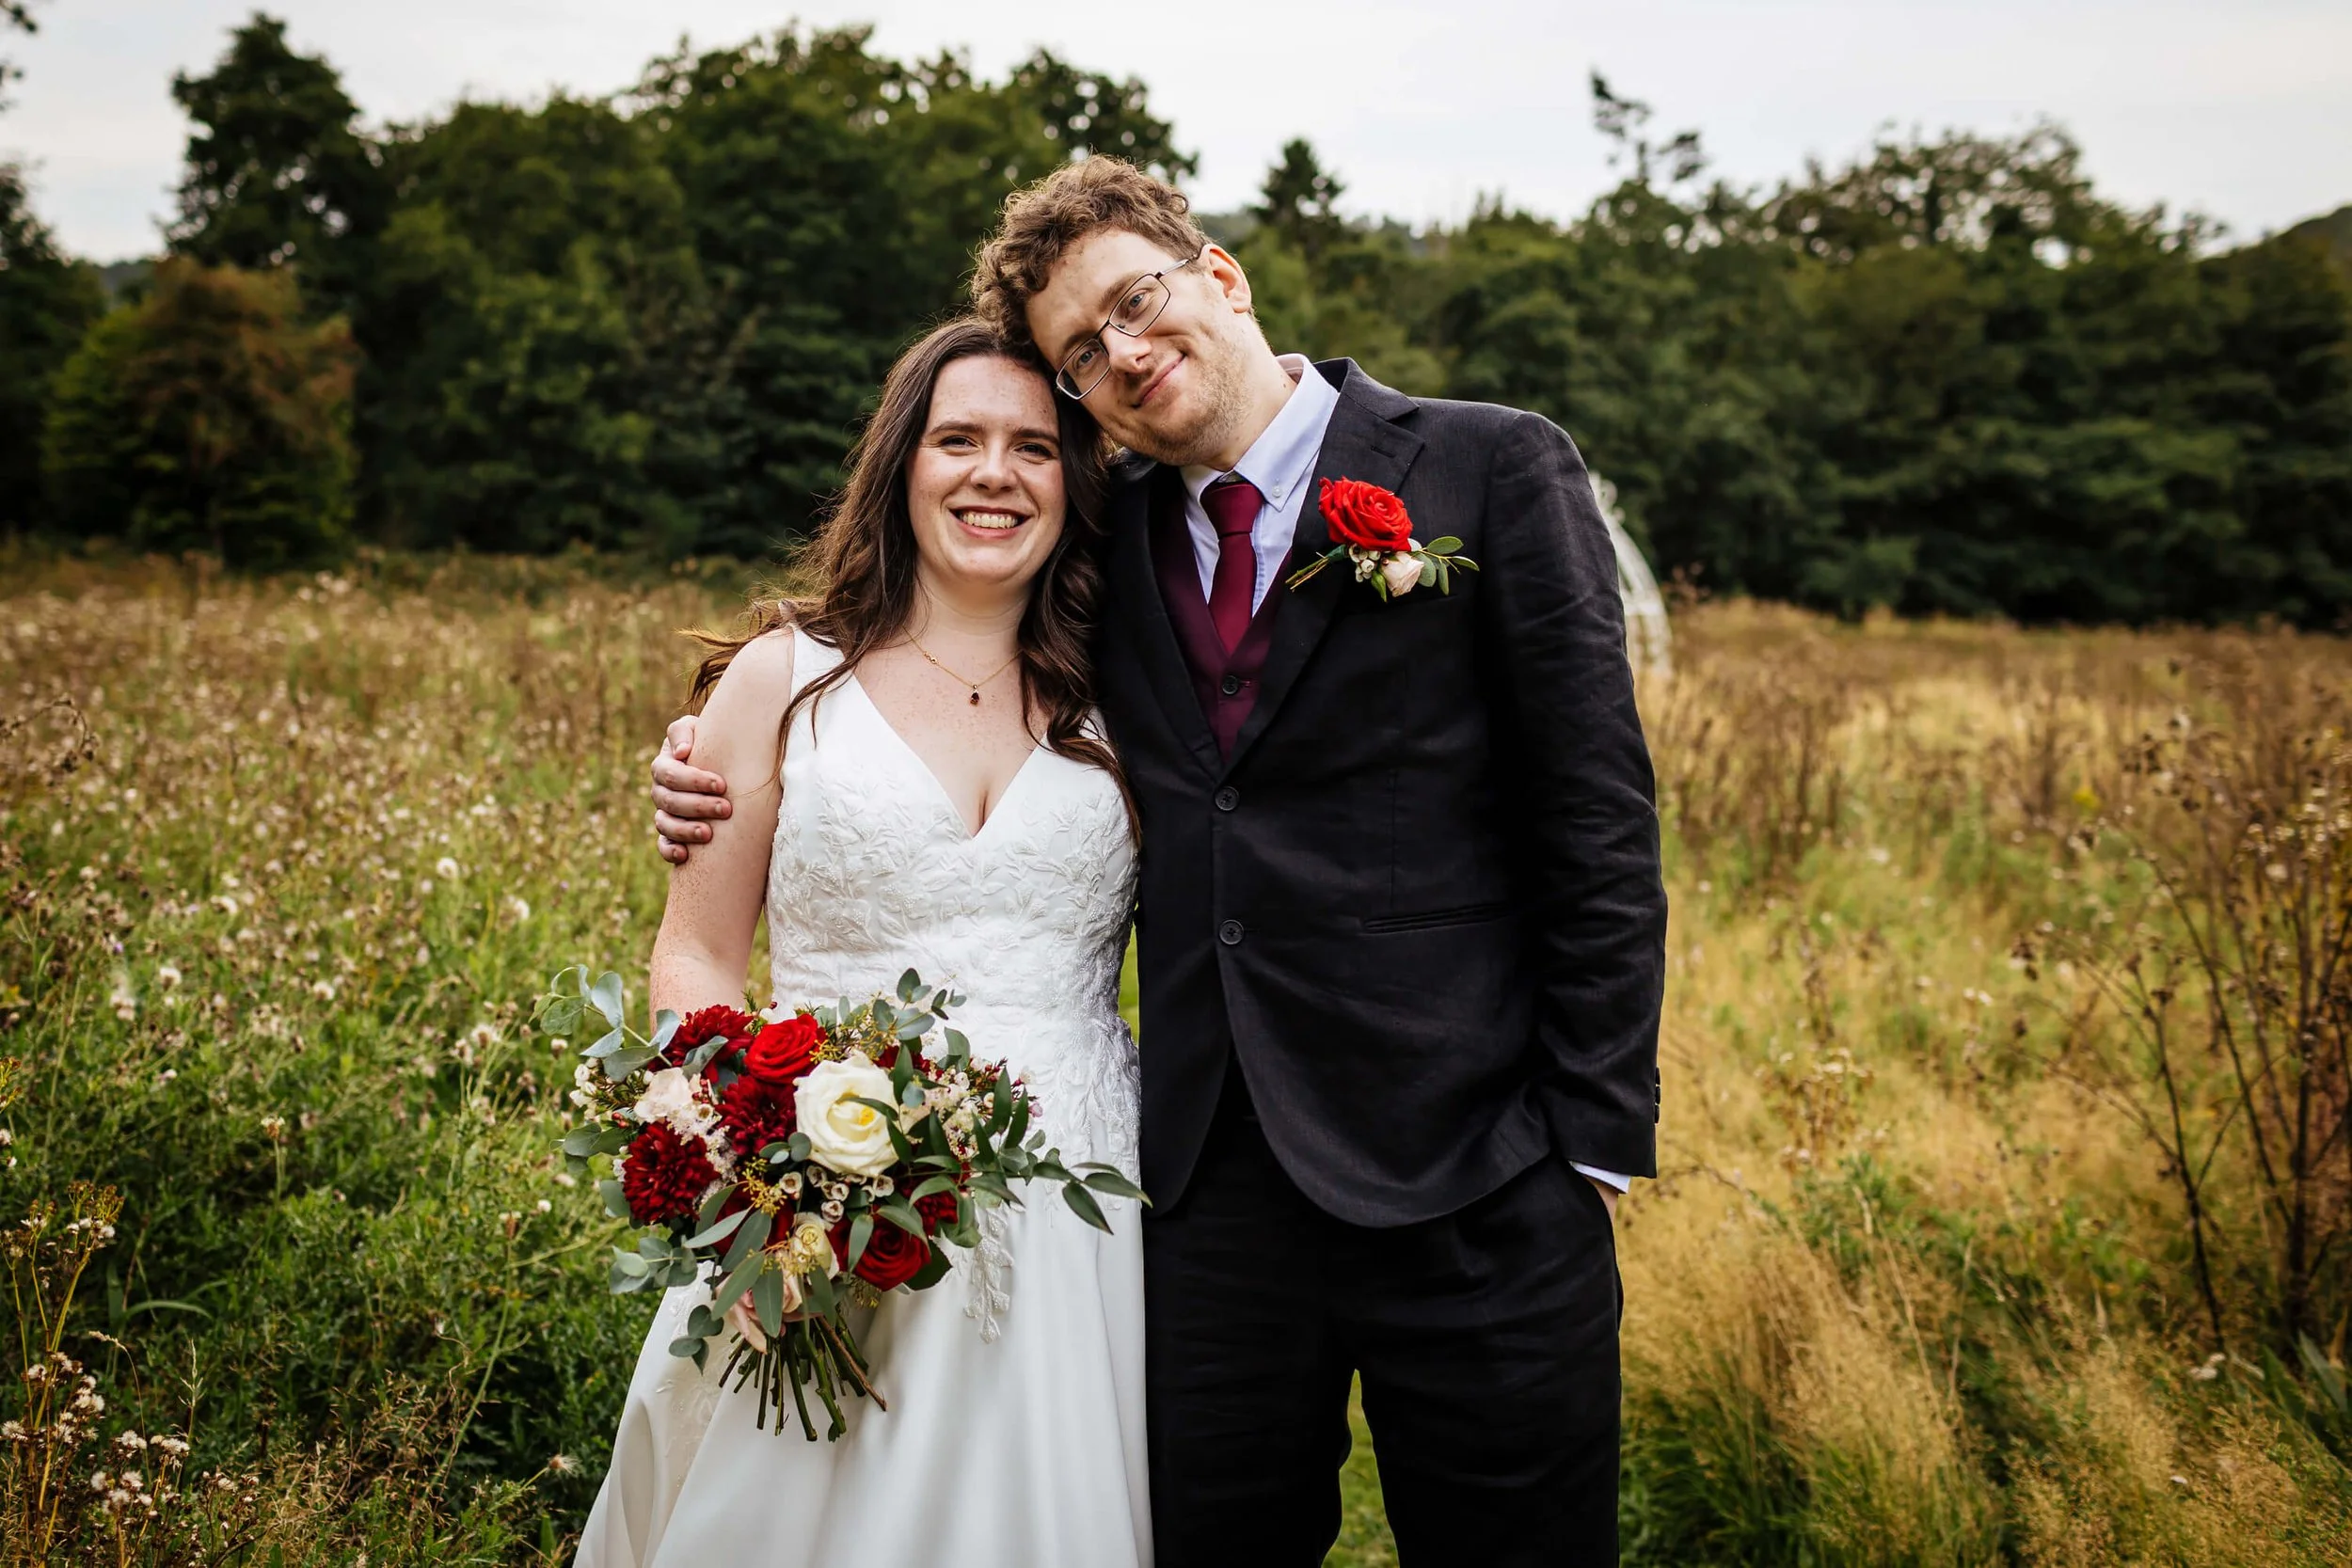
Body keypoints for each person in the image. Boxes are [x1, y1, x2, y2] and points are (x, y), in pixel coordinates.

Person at [654, 159, 1666, 1566]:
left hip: (1480, 1174)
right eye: (1084, 352)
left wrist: (1592, 1151)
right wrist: (726, 746)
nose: (1125, 354)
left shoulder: (1487, 466)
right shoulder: (1101, 540)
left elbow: (1598, 818)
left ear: (1221, 276)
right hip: (1198, 1200)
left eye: (1137, 303)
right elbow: (917, 649)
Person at [579, 317, 1150, 1568]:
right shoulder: (786, 680)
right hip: (821, 1209)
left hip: (1082, 1214)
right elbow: (698, 956)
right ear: (902, 465)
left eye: (1034, 448)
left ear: (1078, 481)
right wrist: (752, 1148)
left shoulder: (1135, 699)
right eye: (958, 439)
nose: (993, 472)